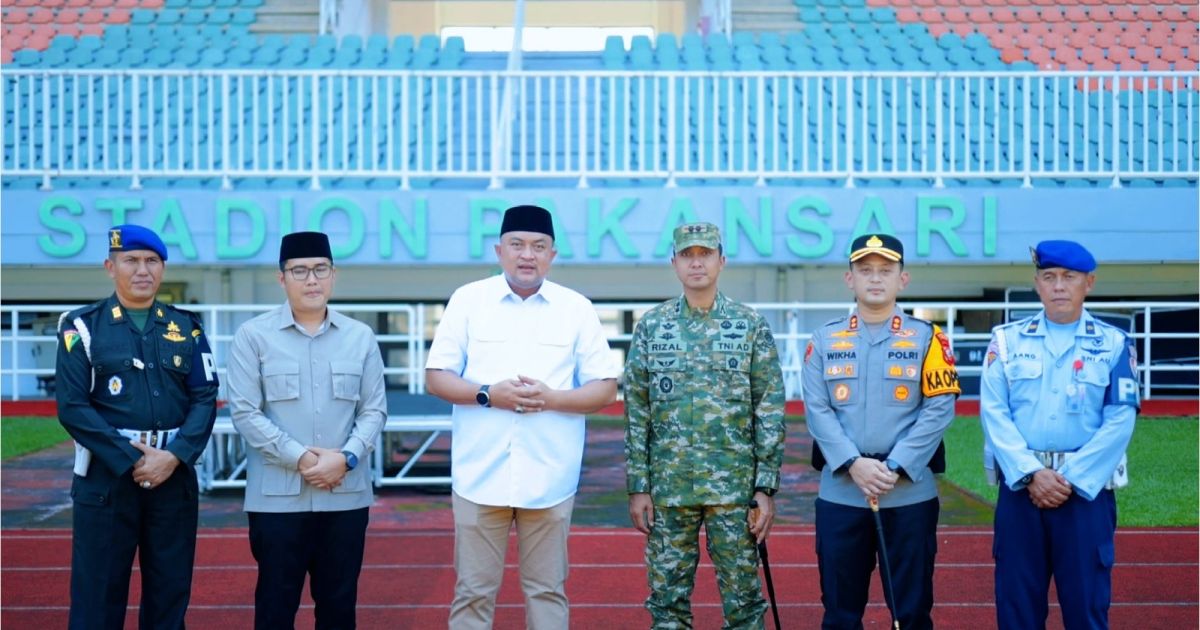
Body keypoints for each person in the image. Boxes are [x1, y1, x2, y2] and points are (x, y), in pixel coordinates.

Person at [425, 205, 619, 629]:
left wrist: (551, 399)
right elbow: (436, 377)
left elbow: (605, 387)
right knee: (472, 593)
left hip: (550, 476)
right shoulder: (468, 300)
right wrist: (487, 395)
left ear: (552, 254)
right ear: (499, 251)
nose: (526, 255)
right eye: (517, 245)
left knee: (547, 592)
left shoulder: (576, 308)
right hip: (479, 476)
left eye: (538, 246)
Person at [54, 224, 219, 629]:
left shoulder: (188, 327)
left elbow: (205, 397)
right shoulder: (82, 327)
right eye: (131, 261)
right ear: (110, 267)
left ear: (162, 268)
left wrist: (174, 457)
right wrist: (133, 460)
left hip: (173, 479)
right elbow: (73, 407)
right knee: (97, 600)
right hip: (106, 482)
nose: (142, 270)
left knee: (169, 596)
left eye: (151, 261)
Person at [624, 222, 786, 629]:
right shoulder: (652, 325)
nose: (697, 263)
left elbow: (768, 407)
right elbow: (637, 409)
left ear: (722, 260)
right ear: (674, 263)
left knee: (745, 603)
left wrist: (765, 487)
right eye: (687, 255)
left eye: (705, 254)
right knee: (667, 604)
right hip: (668, 488)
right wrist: (638, 486)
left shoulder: (749, 325)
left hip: (734, 490)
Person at [227, 231, 387, 630]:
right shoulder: (253, 336)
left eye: (320, 270)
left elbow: (374, 411)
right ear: (282, 279)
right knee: (275, 608)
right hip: (277, 503)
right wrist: (302, 458)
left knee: (338, 607)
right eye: (300, 271)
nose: (311, 280)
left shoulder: (360, 337)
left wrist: (346, 458)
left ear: (334, 275)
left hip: (345, 497)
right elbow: (245, 413)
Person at [801, 233, 960, 630]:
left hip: (908, 496)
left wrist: (896, 465)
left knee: (911, 613)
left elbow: (939, 409)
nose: (875, 278)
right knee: (840, 614)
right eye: (865, 270)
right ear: (849, 278)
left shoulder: (930, 339)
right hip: (841, 496)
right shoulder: (823, 340)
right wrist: (854, 465)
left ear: (902, 280)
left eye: (886, 270)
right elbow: (817, 410)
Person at [981, 240, 1139, 630]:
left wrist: (1071, 479)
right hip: (1021, 492)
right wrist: (1031, 474)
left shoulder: (1115, 344)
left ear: (1090, 283)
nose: (1059, 286)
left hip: (1086, 496)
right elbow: (994, 413)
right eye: (1049, 277)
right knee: (1017, 610)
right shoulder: (1006, 340)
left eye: (1069, 277)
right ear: (1037, 284)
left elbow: (1120, 420)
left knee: (1086, 608)